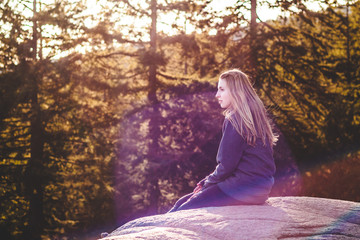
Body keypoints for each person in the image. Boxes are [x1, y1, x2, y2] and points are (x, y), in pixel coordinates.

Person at [168, 69, 278, 212]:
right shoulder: (256, 116)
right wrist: (206, 182)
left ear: (235, 92)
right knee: (183, 200)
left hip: (242, 189)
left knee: (184, 208)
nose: (217, 95)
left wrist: (207, 182)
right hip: (260, 190)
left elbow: (226, 165)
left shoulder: (234, 119)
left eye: (221, 89)